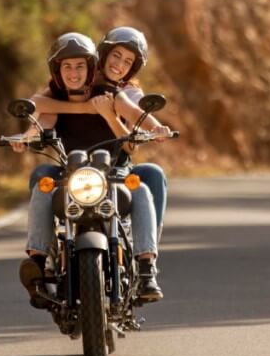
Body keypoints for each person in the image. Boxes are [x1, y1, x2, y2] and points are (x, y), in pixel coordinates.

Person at [12, 32, 163, 305]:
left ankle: (146, 268)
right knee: (43, 188)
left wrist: (157, 128)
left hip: (112, 176)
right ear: (57, 70)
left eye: (80, 66)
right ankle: (38, 263)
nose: (73, 72)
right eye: (67, 66)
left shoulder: (112, 95)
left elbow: (137, 116)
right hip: (73, 175)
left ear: (91, 67)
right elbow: (39, 119)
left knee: (140, 189)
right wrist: (27, 137)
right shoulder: (53, 96)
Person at [31, 26, 173, 239]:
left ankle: (147, 247)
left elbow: (137, 114)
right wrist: (83, 108)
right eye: (116, 56)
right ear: (102, 56)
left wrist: (156, 128)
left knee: (152, 175)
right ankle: (42, 251)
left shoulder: (127, 92)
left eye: (128, 62)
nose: (119, 65)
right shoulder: (76, 78)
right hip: (73, 167)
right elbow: (40, 106)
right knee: (41, 175)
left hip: (114, 166)